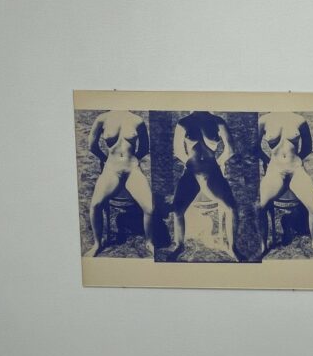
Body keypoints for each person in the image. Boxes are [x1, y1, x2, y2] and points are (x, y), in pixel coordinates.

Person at [256, 112, 313, 257]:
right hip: (276, 171)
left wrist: (295, 163)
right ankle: (263, 245)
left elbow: (307, 147)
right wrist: (268, 161)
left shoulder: (299, 120)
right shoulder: (263, 121)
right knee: (259, 207)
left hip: (296, 170)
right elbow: (254, 148)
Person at [86, 110, 154, 256]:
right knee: (95, 205)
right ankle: (97, 244)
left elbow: (144, 148)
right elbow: (92, 146)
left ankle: (149, 242)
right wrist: (106, 161)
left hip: (132, 170)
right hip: (112, 169)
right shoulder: (102, 119)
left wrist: (132, 162)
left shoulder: (137, 120)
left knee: (150, 208)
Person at [170, 111, 237, 258]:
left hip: (211, 172)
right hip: (192, 173)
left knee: (231, 207)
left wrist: (218, 163)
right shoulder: (183, 123)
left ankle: (232, 248)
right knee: (177, 209)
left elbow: (230, 149)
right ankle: (179, 246)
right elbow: (178, 151)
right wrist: (191, 165)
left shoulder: (218, 122)